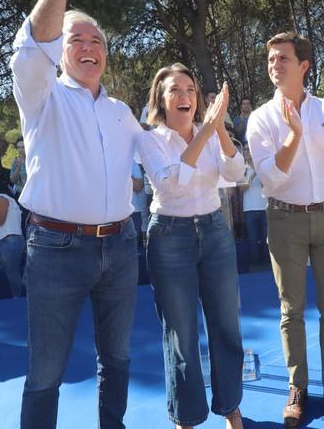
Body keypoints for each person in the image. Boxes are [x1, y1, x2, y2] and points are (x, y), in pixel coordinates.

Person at [10, 0, 144, 427]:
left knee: (119, 359)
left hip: (122, 248)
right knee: (45, 370)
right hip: (55, 250)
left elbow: (168, 162)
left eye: (97, 41)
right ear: (60, 52)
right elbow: (34, 45)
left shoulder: (121, 111)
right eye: (76, 40)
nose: (89, 48)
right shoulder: (41, 96)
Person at [246, 31, 324, 428]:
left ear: (304, 66)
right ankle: (297, 389)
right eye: (271, 60)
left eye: (283, 59)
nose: (274, 66)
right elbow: (271, 180)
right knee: (291, 311)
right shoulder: (261, 118)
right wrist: (294, 134)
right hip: (284, 219)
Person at [139, 64, 244, 429]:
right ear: (161, 99)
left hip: (215, 231)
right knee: (181, 333)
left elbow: (236, 175)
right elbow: (172, 186)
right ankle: (187, 416)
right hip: (170, 236)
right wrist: (207, 134)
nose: (185, 96)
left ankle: (230, 405)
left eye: (190, 90)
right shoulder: (149, 140)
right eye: (175, 90)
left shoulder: (211, 133)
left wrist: (220, 132)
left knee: (227, 325)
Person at [240, 145, 268, 267]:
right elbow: (242, 188)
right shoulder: (242, 169)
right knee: (252, 240)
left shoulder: (262, 167)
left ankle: (268, 266)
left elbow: (265, 185)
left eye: (249, 150)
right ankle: (255, 266)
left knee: (267, 239)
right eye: (245, 150)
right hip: (249, 209)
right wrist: (252, 174)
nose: (247, 152)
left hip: (264, 207)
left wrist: (257, 170)